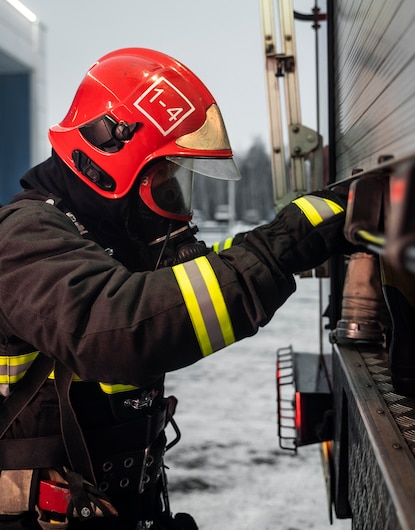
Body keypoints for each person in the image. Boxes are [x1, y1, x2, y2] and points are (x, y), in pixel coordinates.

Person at [0, 48, 347, 529]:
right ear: (110, 162)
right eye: (165, 180)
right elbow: (117, 328)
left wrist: (294, 240)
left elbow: (189, 282)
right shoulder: (23, 238)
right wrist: (275, 251)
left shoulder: (105, 241)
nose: (176, 203)